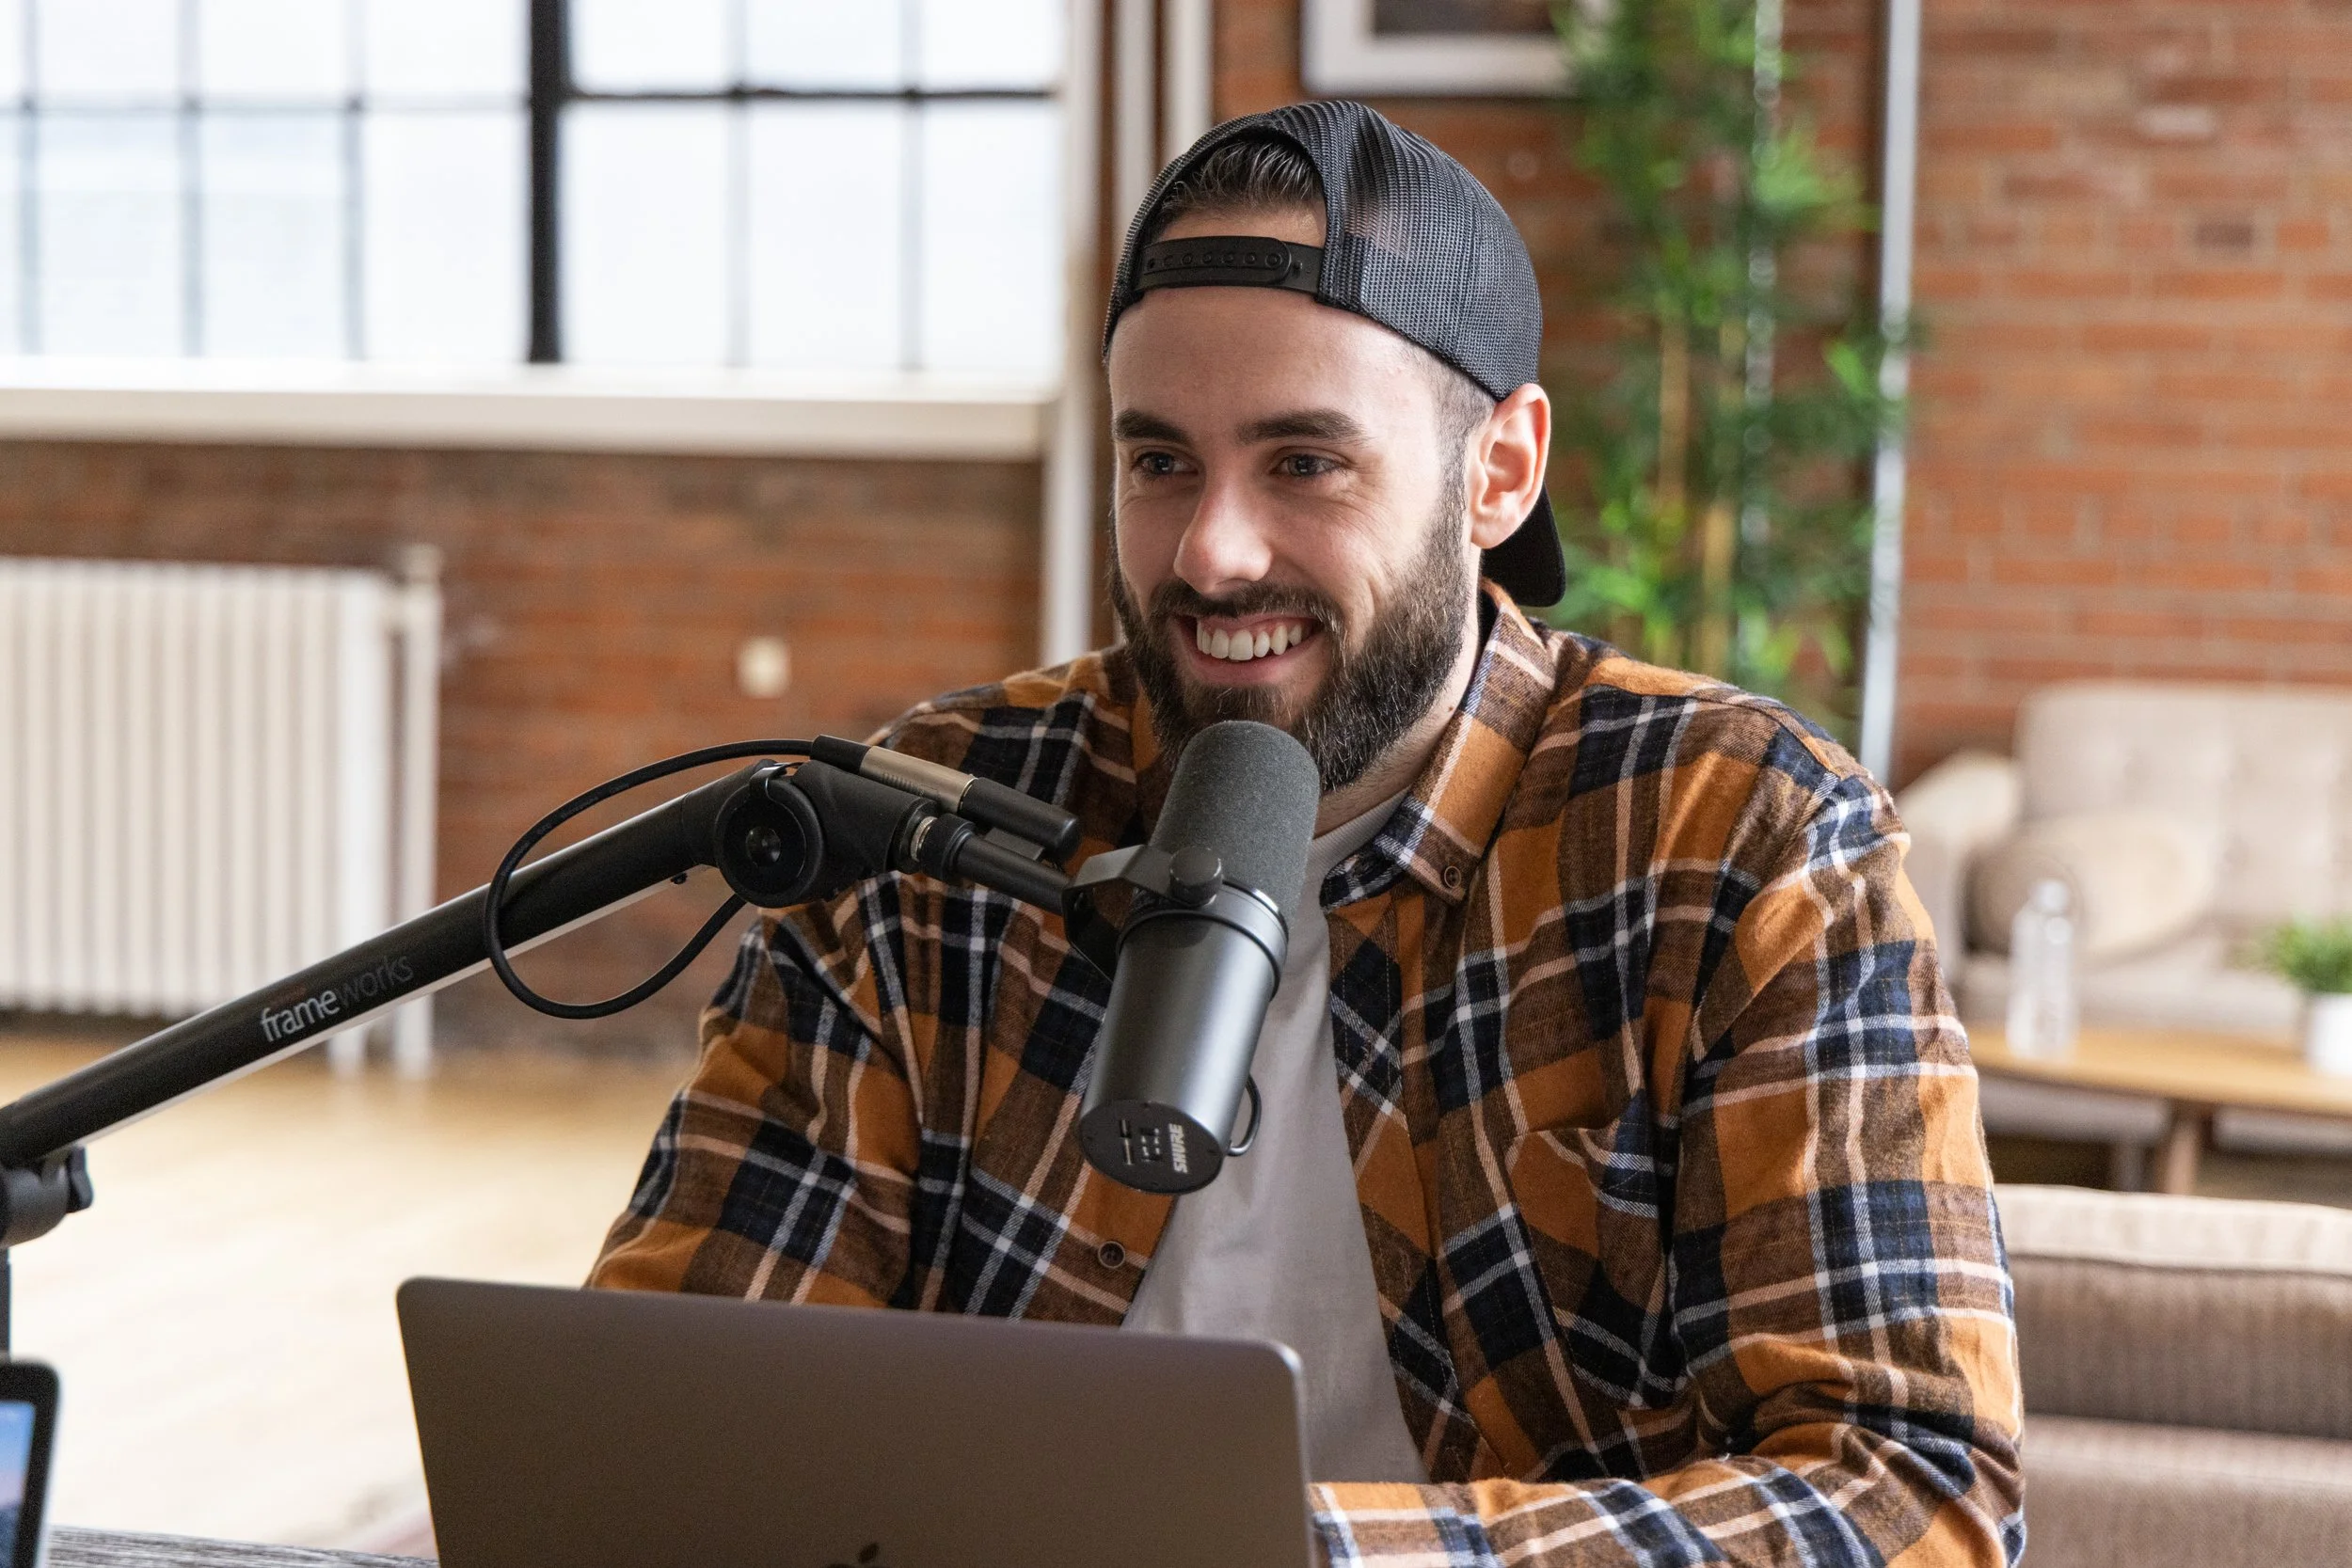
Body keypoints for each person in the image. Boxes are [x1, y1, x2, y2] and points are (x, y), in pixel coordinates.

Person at [592, 100, 2025, 1566]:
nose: (1211, 549)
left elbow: (1912, 1491)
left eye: (1304, 462)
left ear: (1500, 473)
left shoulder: (1745, 840)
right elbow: (693, 1405)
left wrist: (1279, 1555)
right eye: (1160, 462)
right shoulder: (934, 822)